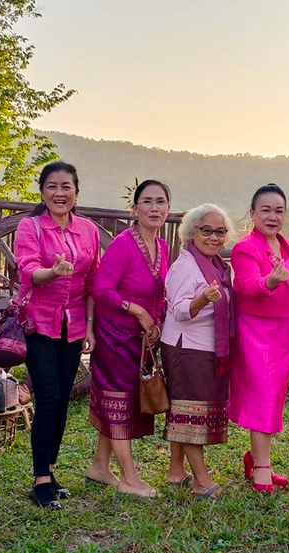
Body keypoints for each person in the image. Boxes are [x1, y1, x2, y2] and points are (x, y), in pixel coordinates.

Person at [15, 161, 99, 510]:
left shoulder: (89, 230)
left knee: (62, 399)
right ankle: (39, 481)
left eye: (66, 187)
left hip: (74, 325)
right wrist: (52, 272)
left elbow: (92, 283)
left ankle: (50, 471)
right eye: (52, 186)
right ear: (42, 191)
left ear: (76, 193)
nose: (59, 193)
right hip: (39, 323)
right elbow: (28, 270)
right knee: (49, 398)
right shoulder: (30, 226)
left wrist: (90, 327)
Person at [87, 180, 171, 498]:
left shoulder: (162, 247)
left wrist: (156, 318)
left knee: (123, 401)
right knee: (118, 400)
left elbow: (160, 291)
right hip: (114, 334)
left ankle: (100, 466)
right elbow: (101, 290)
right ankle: (130, 478)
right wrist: (137, 310)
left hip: (140, 336)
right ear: (134, 209)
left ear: (168, 208)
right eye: (147, 201)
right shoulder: (123, 244)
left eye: (160, 201)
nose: (154, 208)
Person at [230, 183, 289, 493]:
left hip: (287, 331)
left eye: (279, 211)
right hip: (257, 331)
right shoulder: (245, 248)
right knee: (261, 395)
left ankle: (260, 459)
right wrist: (270, 282)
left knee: (274, 396)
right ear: (253, 213)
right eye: (266, 210)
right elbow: (247, 286)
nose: (273, 216)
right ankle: (261, 467)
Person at [160, 203, 236, 498]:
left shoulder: (217, 265)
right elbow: (179, 311)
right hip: (186, 348)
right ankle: (202, 481)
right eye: (207, 231)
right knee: (190, 415)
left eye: (220, 231)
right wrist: (203, 299)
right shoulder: (185, 267)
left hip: (205, 347)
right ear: (192, 232)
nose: (214, 237)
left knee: (184, 410)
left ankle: (176, 471)